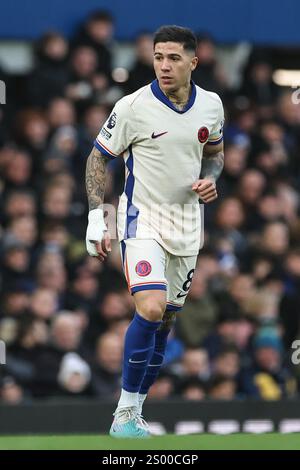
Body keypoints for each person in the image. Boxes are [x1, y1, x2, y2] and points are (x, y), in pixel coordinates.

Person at [85, 25, 224, 438]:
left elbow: (215, 155)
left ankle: (136, 412)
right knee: (149, 307)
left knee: (164, 323)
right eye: (158, 57)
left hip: (187, 227)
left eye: (174, 58)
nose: (164, 65)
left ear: (193, 62)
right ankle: (123, 414)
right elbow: (97, 159)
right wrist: (98, 218)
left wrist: (211, 177)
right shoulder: (132, 107)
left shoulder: (212, 106)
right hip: (140, 221)